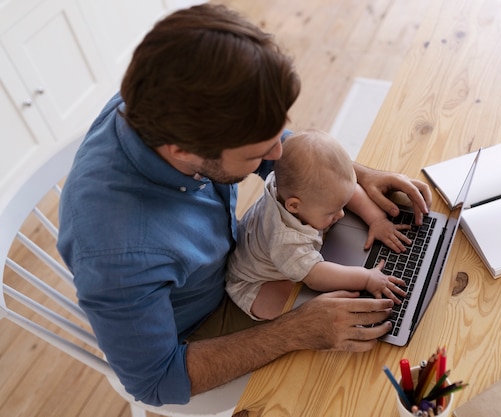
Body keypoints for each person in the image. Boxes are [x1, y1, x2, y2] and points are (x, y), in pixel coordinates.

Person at [57, 3, 432, 407]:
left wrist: (358, 175)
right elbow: (155, 380)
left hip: (241, 257)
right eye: (258, 151)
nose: (278, 150)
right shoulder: (117, 255)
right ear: (183, 150)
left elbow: (279, 147)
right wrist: (295, 330)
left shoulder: (168, 96)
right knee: (359, 384)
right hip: (201, 329)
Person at [226, 129, 412, 320]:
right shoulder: (286, 240)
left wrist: (377, 219)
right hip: (253, 281)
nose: (341, 214)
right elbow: (316, 276)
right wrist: (366, 278)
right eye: (332, 212)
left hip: (266, 247)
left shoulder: (293, 187)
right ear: (294, 206)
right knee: (303, 311)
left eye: (341, 206)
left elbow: (349, 191)